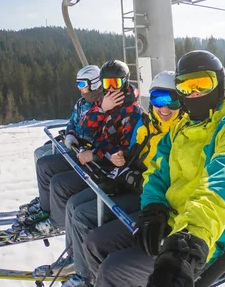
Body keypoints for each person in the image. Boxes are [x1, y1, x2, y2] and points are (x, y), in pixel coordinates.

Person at [82, 50, 225, 287]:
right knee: (95, 242)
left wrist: (189, 242)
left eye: (202, 84)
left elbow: (223, 185)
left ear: (219, 83)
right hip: (171, 218)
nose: (194, 93)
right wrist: (153, 208)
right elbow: (156, 172)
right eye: (185, 86)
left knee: (114, 270)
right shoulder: (182, 128)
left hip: (206, 235)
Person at [59, 71, 185, 286]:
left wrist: (124, 170)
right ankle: (84, 268)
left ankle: (88, 275)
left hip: (148, 195)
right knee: (77, 210)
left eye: (172, 101)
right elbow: (103, 139)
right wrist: (117, 158)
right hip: (129, 183)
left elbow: (166, 176)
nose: (164, 108)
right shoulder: (147, 124)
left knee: (84, 216)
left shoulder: (178, 132)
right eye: (157, 99)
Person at [24, 60, 143, 239]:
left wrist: (95, 155)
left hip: (109, 171)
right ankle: (54, 216)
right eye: (107, 83)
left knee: (62, 187)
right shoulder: (104, 102)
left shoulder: (132, 112)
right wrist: (102, 109)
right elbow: (87, 127)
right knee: (52, 173)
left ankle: (58, 224)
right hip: (96, 162)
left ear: (125, 82)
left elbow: (123, 150)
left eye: (115, 83)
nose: (111, 88)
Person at [18, 65, 103, 226]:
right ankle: (46, 204)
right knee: (41, 155)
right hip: (75, 145)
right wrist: (70, 134)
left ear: (95, 83)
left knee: (49, 166)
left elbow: (94, 129)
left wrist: (83, 142)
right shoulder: (81, 103)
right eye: (78, 84)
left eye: (82, 85)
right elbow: (72, 122)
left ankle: (54, 214)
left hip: (86, 152)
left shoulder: (102, 105)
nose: (79, 89)